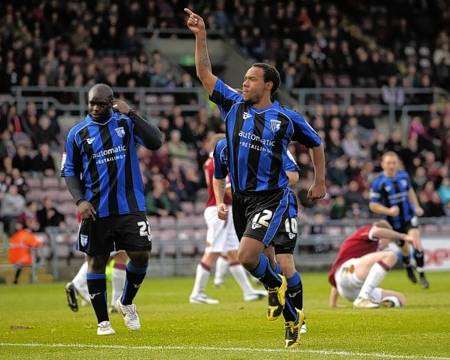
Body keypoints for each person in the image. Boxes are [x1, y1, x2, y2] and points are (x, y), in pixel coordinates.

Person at [185, 8, 326, 348]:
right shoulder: (233, 104)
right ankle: (293, 318)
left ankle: (277, 287)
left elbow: (316, 143)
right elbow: (204, 72)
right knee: (252, 260)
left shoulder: (286, 118)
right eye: (244, 78)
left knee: (248, 257)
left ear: (268, 85)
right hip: (242, 198)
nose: (244, 83)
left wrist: (319, 181)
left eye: (250, 79)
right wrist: (201, 36)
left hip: (271, 197)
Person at [61, 83, 163, 335]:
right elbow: (70, 171)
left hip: (131, 205)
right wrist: (80, 201)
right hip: (96, 208)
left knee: (141, 255)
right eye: (92, 103)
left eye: (101, 103)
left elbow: (155, 141)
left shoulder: (125, 123)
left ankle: (126, 302)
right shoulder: (77, 133)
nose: (96, 108)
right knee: (96, 260)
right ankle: (103, 322)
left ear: (112, 102)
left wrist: (132, 113)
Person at [189, 134, 268, 304]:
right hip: (220, 210)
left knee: (233, 252)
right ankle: (197, 293)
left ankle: (248, 292)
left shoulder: (209, 162)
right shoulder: (219, 161)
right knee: (213, 251)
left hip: (221, 209)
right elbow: (226, 189)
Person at [369, 152, 429, 288]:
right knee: (405, 249)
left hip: (408, 217)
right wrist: (388, 211)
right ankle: (408, 266)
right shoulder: (378, 182)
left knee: (416, 243)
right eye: (388, 163)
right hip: (392, 223)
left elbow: (410, 191)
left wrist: (417, 206)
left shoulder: (404, 176)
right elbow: (372, 205)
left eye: (394, 162)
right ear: (383, 164)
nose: (391, 165)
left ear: (397, 163)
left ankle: (422, 275)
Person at [328, 220, 414, 308]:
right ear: (384, 235)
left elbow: (339, 276)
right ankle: (362, 298)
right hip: (348, 272)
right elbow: (377, 231)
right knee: (391, 255)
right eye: (389, 239)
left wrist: (333, 303)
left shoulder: (369, 249)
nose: (388, 244)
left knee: (400, 298)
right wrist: (403, 236)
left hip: (349, 290)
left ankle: (379, 302)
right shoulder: (367, 231)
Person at [8, 218, 43, 284]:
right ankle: (33, 278)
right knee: (37, 261)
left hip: (15, 258)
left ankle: (16, 280)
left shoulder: (16, 235)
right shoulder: (26, 235)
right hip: (25, 258)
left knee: (21, 267)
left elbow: (12, 244)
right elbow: (35, 244)